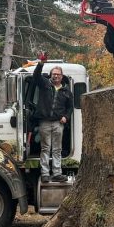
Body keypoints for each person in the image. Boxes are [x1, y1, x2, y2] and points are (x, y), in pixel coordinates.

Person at [32, 52, 74, 183]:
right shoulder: (44, 84)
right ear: (51, 75)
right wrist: (41, 63)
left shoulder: (66, 91)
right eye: (54, 74)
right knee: (45, 148)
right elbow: (36, 75)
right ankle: (45, 174)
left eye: (58, 74)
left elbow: (70, 108)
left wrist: (66, 117)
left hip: (58, 123)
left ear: (62, 76)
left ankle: (57, 173)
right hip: (44, 122)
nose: (56, 76)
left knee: (57, 149)